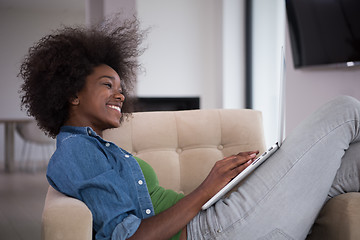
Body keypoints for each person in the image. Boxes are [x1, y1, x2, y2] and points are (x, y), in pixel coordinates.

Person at [19, 16, 360, 240]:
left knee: (350, 162)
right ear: (72, 93)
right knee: (344, 111)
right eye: (107, 85)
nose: (120, 94)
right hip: (213, 230)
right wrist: (206, 189)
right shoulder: (76, 152)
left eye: (120, 86)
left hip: (218, 217)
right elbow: (132, 237)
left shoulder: (97, 147)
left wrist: (219, 187)